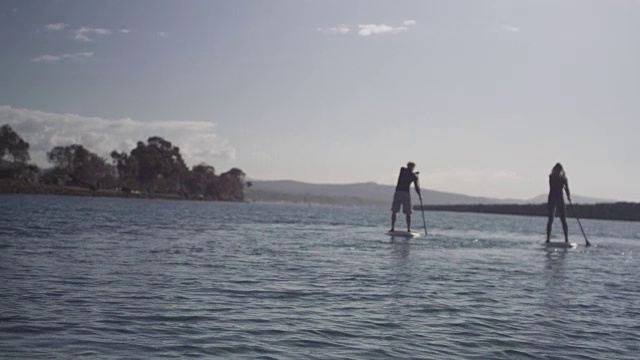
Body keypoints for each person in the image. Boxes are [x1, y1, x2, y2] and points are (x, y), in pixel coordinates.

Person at [390, 162, 422, 232]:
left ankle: (393, 227)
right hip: (406, 194)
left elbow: (408, 173)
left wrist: (415, 174)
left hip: (398, 193)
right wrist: (419, 195)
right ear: (413, 168)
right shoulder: (412, 175)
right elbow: (417, 187)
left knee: (395, 211)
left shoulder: (403, 171)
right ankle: (408, 229)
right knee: (408, 212)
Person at [546, 162, 571, 243]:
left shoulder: (563, 179)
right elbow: (552, 185)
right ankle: (548, 239)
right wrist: (560, 180)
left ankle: (566, 239)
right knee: (551, 219)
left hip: (560, 199)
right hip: (552, 198)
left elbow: (567, 188)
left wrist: (568, 196)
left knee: (563, 219)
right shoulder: (551, 177)